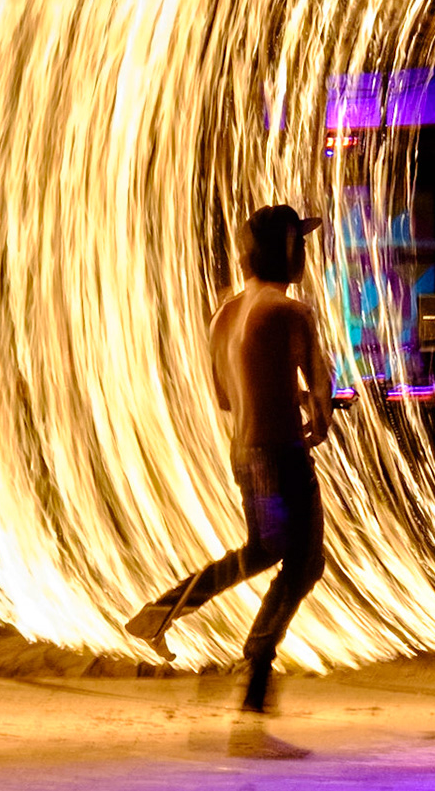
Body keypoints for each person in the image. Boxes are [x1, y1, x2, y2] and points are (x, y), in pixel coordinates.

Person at [126, 204, 333, 725]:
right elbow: (323, 400)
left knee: (266, 552)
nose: (305, 254)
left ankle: (166, 617)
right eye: (300, 245)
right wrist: (314, 413)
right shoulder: (293, 313)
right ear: (288, 253)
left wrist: (282, 394)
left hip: (245, 453)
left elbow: (224, 397)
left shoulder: (225, 313)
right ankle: (253, 664)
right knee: (300, 562)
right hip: (283, 453)